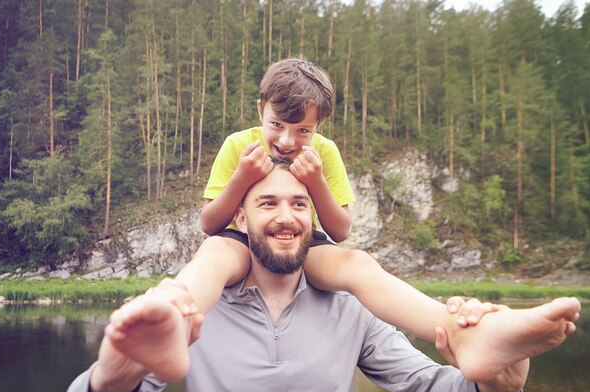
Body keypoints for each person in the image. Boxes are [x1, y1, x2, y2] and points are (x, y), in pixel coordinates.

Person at [61, 160, 581, 392]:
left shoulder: (353, 309)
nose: (286, 217)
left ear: (315, 217)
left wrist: (501, 388)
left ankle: (469, 335)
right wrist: (113, 380)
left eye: (300, 204)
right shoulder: (199, 304)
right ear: (239, 215)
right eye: (268, 203)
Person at [173, 57, 497, 365]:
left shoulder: (325, 151)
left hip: (303, 241)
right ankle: (172, 318)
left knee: (357, 263)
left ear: (319, 124)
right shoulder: (238, 145)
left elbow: (340, 231)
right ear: (261, 110)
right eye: (277, 124)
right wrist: (242, 177)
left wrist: (315, 181)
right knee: (213, 253)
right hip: (240, 236)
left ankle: (455, 330)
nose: (287, 140)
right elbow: (210, 223)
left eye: (303, 130)